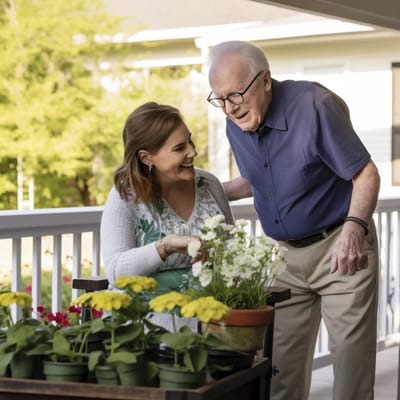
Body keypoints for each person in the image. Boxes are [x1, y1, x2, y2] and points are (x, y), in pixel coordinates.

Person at [207, 40, 380, 400]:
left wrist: (354, 230)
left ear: (266, 80)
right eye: (220, 98)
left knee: (350, 371)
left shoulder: (315, 105)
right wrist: (204, 189)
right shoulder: (235, 124)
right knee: (279, 371)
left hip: (340, 246)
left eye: (236, 95)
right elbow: (260, 179)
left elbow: (365, 174)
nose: (229, 108)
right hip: (286, 257)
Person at [101, 101, 234, 298]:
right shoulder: (125, 195)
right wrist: (165, 246)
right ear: (147, 157)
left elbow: (233, 253)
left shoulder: (209, 184)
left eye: (190, 142)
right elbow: (115, 272)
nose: (192, 152)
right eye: (180, 148)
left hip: (213, 315)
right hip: (145, 320)